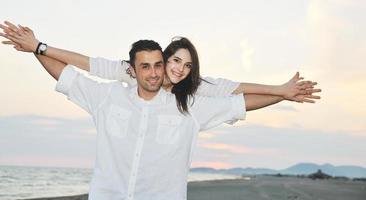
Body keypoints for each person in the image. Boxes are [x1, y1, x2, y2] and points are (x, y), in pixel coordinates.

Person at [0, 21, 321, 115]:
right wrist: (38, 47)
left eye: (188, 64)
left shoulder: (194, 89)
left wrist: (281, 91)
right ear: (164, 59)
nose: (181, 68)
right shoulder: (132, 71)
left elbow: (238, 91)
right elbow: (87, 64)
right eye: (177, 60)